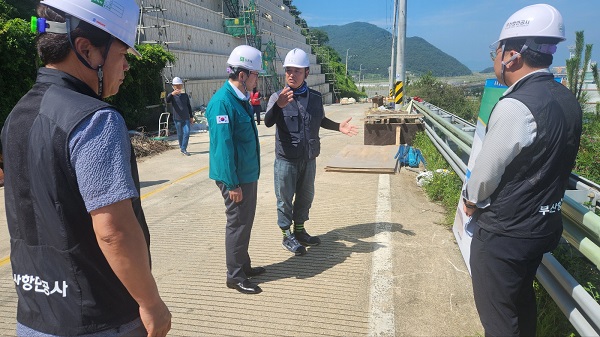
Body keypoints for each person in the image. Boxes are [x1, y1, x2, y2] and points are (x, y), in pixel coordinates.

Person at [0, 0, 172, 336]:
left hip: (34, 315)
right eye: (122, 55)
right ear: (86, 49)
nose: (126, 67)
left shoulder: (16, 116)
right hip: (98, 316)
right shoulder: (94, 120)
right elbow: (114, 230)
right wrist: (151, 304)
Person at [461, 4, 582, 336]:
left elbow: (485, 174)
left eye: (496, 52)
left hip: (505, 232)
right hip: (542, 226)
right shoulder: (566, 98)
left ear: (511, 56)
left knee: (499, 318)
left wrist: (471, 200)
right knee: (520, 304)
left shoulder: (516, 105)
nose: (495, 59)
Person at [264, 48, 358, 256]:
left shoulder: (315, 97)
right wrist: (279, 106)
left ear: (306, 72)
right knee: (285, 199)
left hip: (309, 158)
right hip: (286, 160)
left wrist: (338, 127)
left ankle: (300, 231)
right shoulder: (276, 97)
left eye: (297, 71)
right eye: (288, 70)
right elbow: (268, 122)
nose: (292, 74)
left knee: (306, 196)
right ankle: (286, 235)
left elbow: (320, 120)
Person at [205, 45, 266, 294]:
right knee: (238, 223)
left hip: (245, 174)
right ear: (243, 75)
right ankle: (235, 276)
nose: (257, 79)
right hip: (236, 178)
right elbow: (223, 148)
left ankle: (243, 264)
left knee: (245, 221)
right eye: (255, 74)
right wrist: (232, 184)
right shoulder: (222, 103)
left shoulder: (239, 99)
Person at [166, 76, 194, 156]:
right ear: (173, 86)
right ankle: (182, 147)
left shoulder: (185, 95)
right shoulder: (172, 96)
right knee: (180, 134)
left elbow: (188, 106)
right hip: (177, 118)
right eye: (176, 86)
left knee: (187, 132)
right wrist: (171, 94)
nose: (178, 87)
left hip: (186, 118)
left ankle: (183, 148)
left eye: (179, 85)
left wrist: (191, 116)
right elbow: (167, 101)